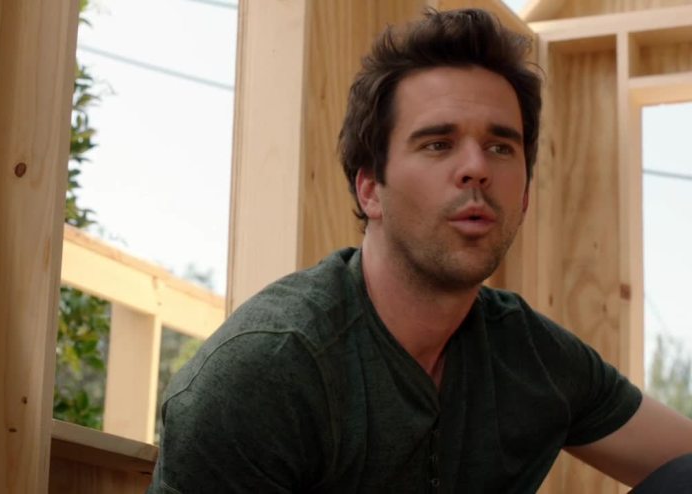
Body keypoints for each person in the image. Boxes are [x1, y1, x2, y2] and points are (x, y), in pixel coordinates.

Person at [148, 8, 692, 493]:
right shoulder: (266, 372)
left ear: (524, 195)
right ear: (370, 189)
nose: (476, 167)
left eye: (500, 147)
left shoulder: (531, 356)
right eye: (438, 144)